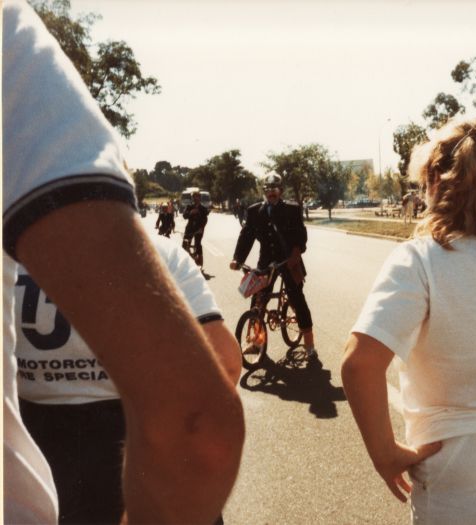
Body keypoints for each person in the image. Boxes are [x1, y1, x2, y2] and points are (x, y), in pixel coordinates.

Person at [3, 2, 244, 523]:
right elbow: (221, 368)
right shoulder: (161, 257)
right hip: (129, 458)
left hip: (36, 451)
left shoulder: (11, 269)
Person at [341, 117, 476, 524]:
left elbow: (360, 364)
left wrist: (385, 454)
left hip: (460, 485)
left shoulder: (421, 260)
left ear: (436, 184)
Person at [14, 230, 241, 524]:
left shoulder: (12, 257)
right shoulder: (160, 251)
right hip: (145, 451)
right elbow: (225, 363)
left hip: (38, 459)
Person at [229, 173, 317, 360]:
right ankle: (256, 342)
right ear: (264, 191)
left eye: (275, 189)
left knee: (296, 298)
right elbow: (247, 236)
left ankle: (309, 345)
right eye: (268, 189)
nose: (271, 193)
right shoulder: (254, 211)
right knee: (258, 299)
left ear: (281, 190)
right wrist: (237, 258)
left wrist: (296, 252)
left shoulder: (292, 210)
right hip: (266, 262)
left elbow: (301, 236)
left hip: (288, 261)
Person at [183, 190, 209, 267]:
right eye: (194, 198)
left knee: (198, 244)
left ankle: (200, 261)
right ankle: (184, 261)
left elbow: (205, 220)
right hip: (189, 228)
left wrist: (201, 228)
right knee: (184, 244)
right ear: (192, 199)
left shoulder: (203, 208)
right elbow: (184, 216)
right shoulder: (189, 207)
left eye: (197, 198)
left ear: (199, 198)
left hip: (199, 229)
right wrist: (190, 212)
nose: (195, 199)